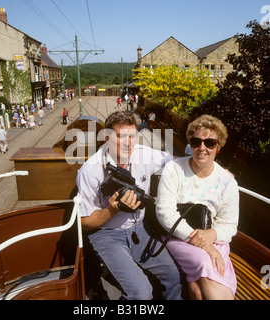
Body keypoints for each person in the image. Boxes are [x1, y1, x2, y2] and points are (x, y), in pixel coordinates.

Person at [76, 111, 182, 300]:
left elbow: (176, 163)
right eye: (120, 136)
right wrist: (112, 210)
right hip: (107, 235)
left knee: (174, 275)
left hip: (140, 229)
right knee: (141, 293)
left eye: (132, 136)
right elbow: (85, 222)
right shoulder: (89, 172)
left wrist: (218, 170)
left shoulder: (144, 155)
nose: (128, 142)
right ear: (107, 138)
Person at [156, 114, 239, 300]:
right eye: (196, 142)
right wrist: (204, 244)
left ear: (218, 147)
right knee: (204, 261)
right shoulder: (174, 169)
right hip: (178, 236)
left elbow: (229, 225)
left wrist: (211, 236)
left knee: (199, 292)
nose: (202, 148)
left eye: (209, 143)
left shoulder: (227, 183)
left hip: (213, 239)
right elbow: (165, 214)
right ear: (190, 144)